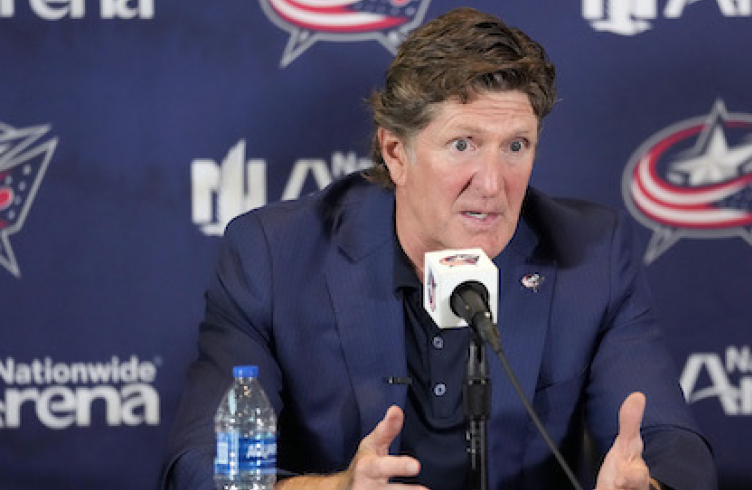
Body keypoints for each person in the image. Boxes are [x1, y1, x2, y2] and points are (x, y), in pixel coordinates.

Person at [162, 7, 717, 490]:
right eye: (462, 144)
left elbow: (670, 442)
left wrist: (649, 485)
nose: (493, 183)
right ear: (395, 153)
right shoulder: (274, 256)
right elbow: (200, 468)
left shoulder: (590, 254)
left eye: (516, 146)